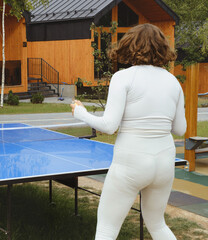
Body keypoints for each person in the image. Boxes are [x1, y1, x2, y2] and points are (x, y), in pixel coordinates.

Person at [71, 23, 186, 239]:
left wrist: (81, 113)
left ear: (129, 46)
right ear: (162, 48)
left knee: (107, 228)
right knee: (157, 224)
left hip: (131, 162)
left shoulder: (123, 78)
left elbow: (109, 126)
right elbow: (180, 129)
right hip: (164, 163)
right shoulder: (174, 82)